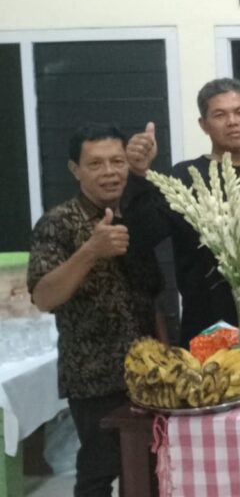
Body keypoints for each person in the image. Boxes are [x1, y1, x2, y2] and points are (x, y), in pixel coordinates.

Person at [28, 124, 163, 497]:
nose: (109, 172)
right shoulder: (58, 222)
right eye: (96, 164)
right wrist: (90, 251)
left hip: (150, 372)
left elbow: (152, 294)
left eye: (117, 161)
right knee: (99, 472)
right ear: (75, 169)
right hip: (94, 375)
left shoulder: (135, 215)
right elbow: (43, 297)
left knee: (151, 466)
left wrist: (167, 353)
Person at [129, 78, 240, 346]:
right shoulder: (185, 176)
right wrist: (139, 174)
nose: (232, 122)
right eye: (220, 115)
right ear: (203, 125)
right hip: (207, 329)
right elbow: (145, 234)